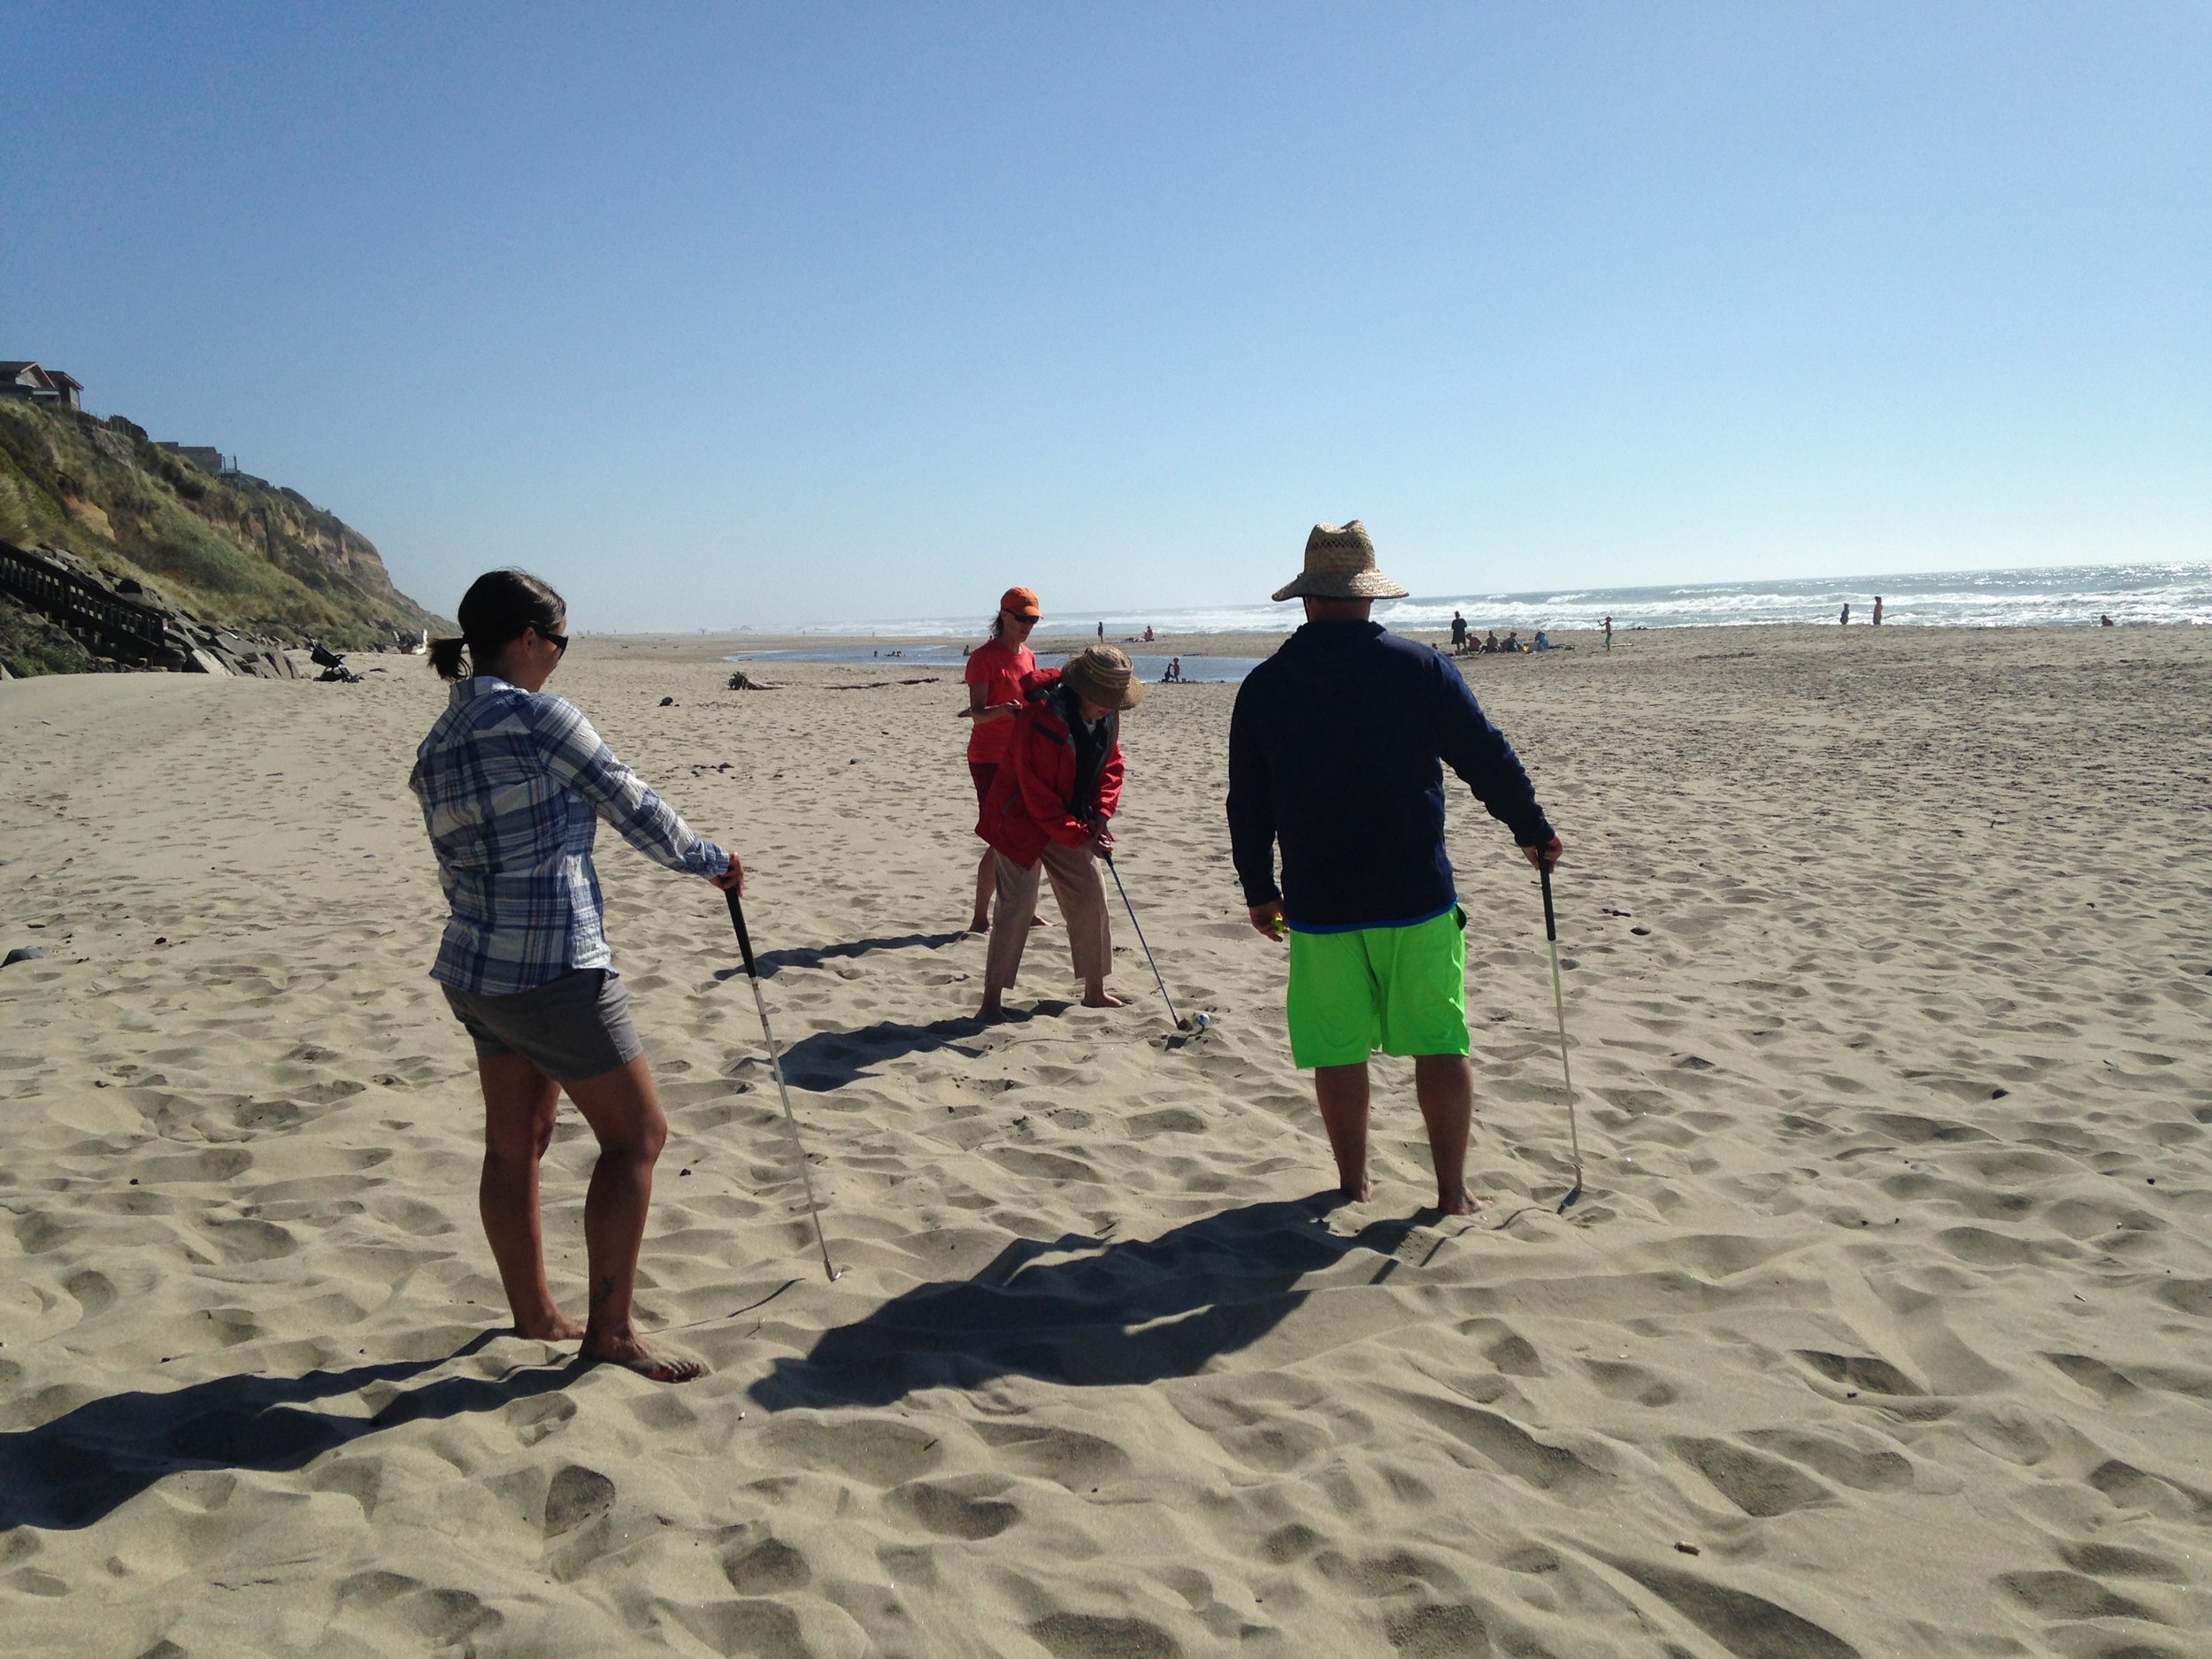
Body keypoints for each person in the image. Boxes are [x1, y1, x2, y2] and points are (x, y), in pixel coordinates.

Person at [411, 570, 739, 1383]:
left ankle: (534, 1314)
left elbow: (455, 863)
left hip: (476, 966)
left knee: (515, 1144)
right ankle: (611, 1332)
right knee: (639, 1136)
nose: (559, 658)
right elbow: (633, 804)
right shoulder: (536, 715)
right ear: (526, 638)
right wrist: (712, 862)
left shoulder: (440, 739)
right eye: (557, 642)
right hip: (554, 963)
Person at [1228, 523, 1561, 1216]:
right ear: (1367, 595)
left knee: (1338, 1051)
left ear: (1308, 598)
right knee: (1439, 1042)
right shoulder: (1418, 667)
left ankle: (1353, 1183)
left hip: (1319, 900)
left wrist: (1259, 890)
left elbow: (1247, 803)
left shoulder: (1265, 686)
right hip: (1414, 893)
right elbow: (1483, 754)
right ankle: (1451, 1193)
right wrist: (1529, 828)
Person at [977, 647, 1141, 1022]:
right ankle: (991, 1002)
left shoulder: (1108, 715)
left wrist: (1100, 815)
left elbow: (1111, 765)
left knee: (1090, 895)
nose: (1108, 708)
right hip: (1020, 818)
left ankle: (1094, 991)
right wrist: (1081, 837)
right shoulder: (1038, 718)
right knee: (1016, 904)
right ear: (1083, 688)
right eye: (1103, 700)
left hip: (1071, 817)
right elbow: (1036, 796)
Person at [963, 587, 1048, 934]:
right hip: (988, 758)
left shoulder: (1028, 656)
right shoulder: (984, 658)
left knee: (1032, 834)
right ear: (1005, 616)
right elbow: (977, 714)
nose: (1028, 625)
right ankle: (980, 917)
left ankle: (1025, 909)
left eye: (1033, 619)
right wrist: (1002, 712)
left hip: (1021, 756)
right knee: (1001, 840)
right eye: (1022, 618)